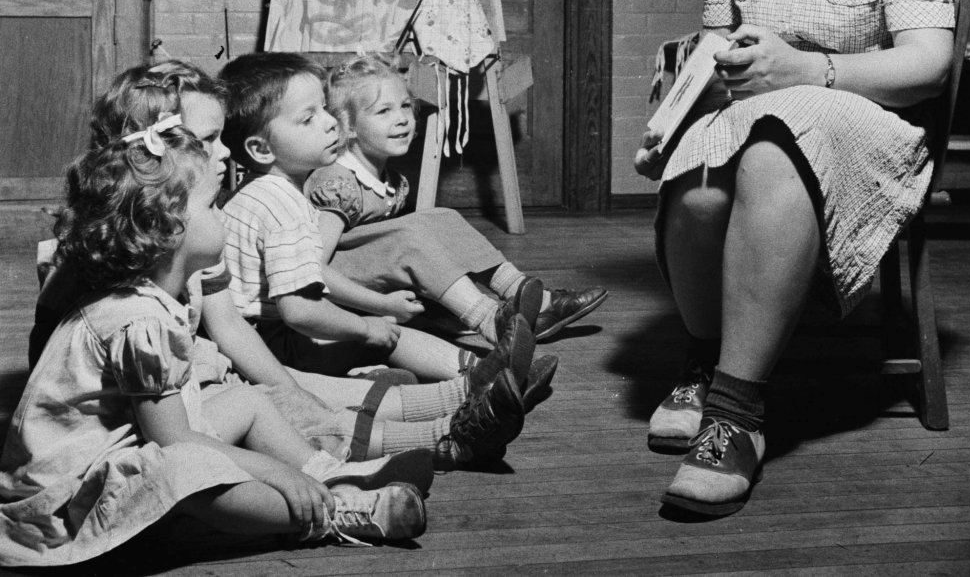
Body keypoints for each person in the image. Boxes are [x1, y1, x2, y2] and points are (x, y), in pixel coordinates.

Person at [636, 0, 956, 517]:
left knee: (777, 147)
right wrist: (674, 114)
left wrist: (805, 68)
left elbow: (927, 62)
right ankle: (704, 359)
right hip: (768, 100)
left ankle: (736, 415)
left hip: (870, 111)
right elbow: (718, 39)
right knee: (695, 177)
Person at [29, 60, 536, 470]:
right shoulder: (113, 248)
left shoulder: (198, 227)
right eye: (207, 141)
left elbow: (226, 323)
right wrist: (278, 393)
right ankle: (443, 435)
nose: (223, 152)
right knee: (285, 407)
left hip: (194, 366)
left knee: (297, 391)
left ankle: (463, 393)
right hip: (140, 404)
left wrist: (286, 387)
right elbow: (56, 353)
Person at [0, 121, 428, 568]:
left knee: (247, 401)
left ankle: (325, 474)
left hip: (116, 454)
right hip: (68, 503)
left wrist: (283, 469)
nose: (223, 215)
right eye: (211, 205)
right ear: (167, 230)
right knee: (187, 467)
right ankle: (329, 514)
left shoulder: (159, 297)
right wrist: (272, 471)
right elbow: (174, 443)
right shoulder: (137, 319)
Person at [216, 50, 552, 451]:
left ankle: (483, 371)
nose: (330, 122)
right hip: (269, 345)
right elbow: (300, 310)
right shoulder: (282, 204)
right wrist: (367, 324)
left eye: (324, 109)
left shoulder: (264, 193)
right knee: (387, 334)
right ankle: (479, 378)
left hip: (263, 338)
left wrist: (372, 315)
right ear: (261, 149)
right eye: (308, 119)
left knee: (384, 327)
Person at [305, 53, 608, 343]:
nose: (402, 119)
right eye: (384, 111)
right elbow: (312, 269)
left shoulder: (387, 179)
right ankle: (489, 321)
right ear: (347, 127)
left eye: (406, 106)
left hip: (372, 278)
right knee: (408, 238)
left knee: (441, 218)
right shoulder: (337, 182)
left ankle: (531, 299)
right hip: (340, 295)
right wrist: (380, 304)